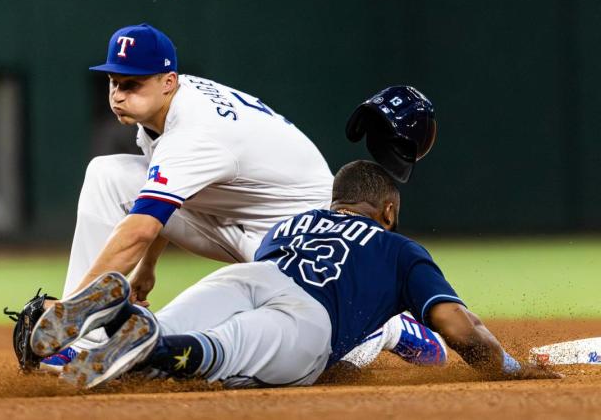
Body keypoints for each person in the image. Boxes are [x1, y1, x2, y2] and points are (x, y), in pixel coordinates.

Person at [40, 22, 443, 371]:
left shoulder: (194, 133)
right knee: (107, 174)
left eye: (132, 83)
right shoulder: (163, 110)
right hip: (235, 212)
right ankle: (83, 343)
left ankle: (385, 329)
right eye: (114, 81)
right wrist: (147, 269)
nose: (118, 94)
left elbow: (140, 229)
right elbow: (161, 196)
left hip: (301, 233)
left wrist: (66, 313)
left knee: (322, 351)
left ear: (168, 82)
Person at [30, 160, 560, 389]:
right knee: (220, 355)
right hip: (307, 322)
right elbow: (457, 327)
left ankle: (120, 316)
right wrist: (509, 369)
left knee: (166, 336)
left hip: (250, 276)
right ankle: (148, 344)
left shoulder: (292, 222)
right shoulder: (400, 248)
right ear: (388, 210)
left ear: (337, 200)